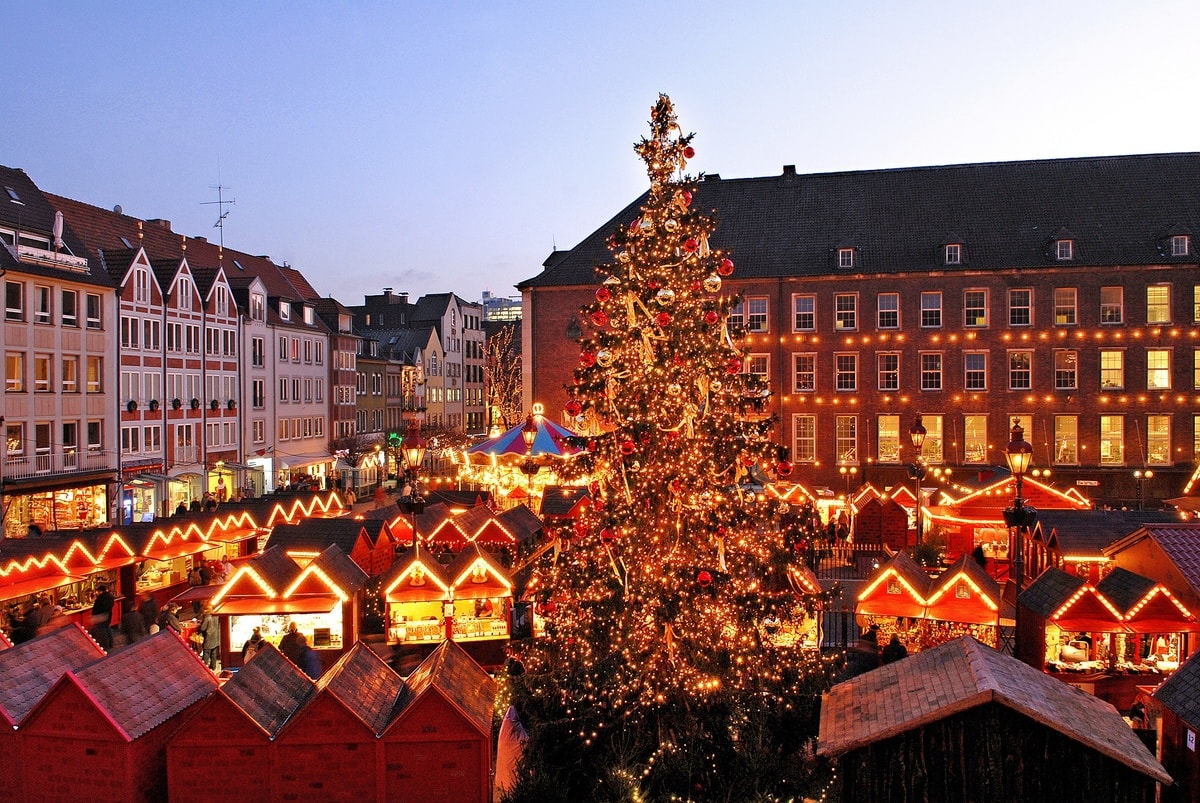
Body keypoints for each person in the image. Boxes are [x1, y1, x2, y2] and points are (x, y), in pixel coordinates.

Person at [89, 583, 115, 650]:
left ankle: (105, 645)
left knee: (103, 631)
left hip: (100, 617)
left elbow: (97, 608)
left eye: (98, 591)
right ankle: (111, 643)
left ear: (101, 591)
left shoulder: (100, 599)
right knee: (108, 629)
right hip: (108, 615)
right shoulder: (110, 596)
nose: (97, 592)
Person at [198, 606, 220, 670]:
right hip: (216, 637)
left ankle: (205, 668)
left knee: (206, 654)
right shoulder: (216, 615)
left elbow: (203, 628)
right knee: (213, 653)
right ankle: (213, 667)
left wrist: (200, 625)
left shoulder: (207, 617)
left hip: (208, 637)